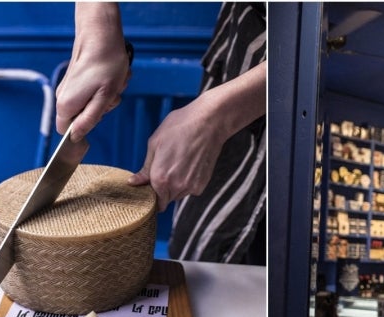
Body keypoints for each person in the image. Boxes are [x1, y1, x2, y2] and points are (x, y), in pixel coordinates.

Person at [55, 2, 266, 264]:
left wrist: (217, 118)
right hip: (242, 42)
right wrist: (98, 25)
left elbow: (327, 37)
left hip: (295, 90)